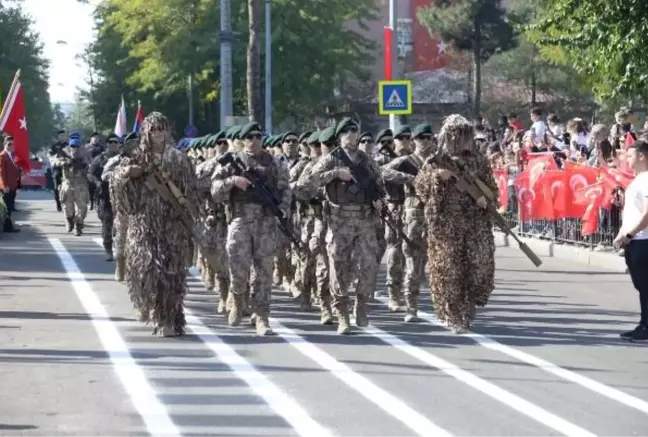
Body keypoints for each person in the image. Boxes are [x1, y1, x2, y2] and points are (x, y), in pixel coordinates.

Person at [110, 113, 197, 337]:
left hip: (172, 226)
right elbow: (115, 180)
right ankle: (148, 304)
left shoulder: (178, 159)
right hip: (144, 224)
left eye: (161, 128)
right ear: (145, 132)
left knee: (171, 274)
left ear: (167, 131)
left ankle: (168, 318)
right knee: (146, 269)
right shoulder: (136, 155)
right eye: (153, 129)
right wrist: (128, 174)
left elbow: (190, 193)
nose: (157, 133)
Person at [414, 114, 496, 333]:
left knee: (479, 266)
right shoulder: (435, 160)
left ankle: (469, 304)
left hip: (474, 223)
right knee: (448, 272)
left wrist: (484, 200)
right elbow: (420, 188)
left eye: (463, 134)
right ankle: (454, 315)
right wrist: (436, 177)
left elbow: (492, 190)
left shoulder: (478, 160)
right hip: (445, 224)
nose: (459, 138)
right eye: (455, 134)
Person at [303, 118, 384, 334]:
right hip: (339, 221)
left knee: (369, 264)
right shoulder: (330, 159)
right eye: (345, 131)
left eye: (353, 130)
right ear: (339, 136)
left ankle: (362, 303)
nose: (350, 134)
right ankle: (342, 315)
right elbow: (306, 185)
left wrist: (380, 201)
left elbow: (379, 184)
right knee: (338, 268)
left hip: (364, 219)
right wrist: (334, 174)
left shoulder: (367, 161)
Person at [211, 121, 292, 336]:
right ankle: (238, 299)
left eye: (258, 136)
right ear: (242, 140)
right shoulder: (233, 162)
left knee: (264, 271)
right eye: (249, 137)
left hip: (265, 222)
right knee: (238, 267)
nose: (254, 140)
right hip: (240, 219)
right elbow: (215, 190)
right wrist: (232, 181)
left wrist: (282, 209)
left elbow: (285, 190)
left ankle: (262, 316)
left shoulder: (274, 163)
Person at [614, 140, 648, 342]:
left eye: (630, 155)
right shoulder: (639, 179)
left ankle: (646, 327)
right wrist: (622, 234)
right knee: (642, 287)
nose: (627, 159)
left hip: (643, 241)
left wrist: (630, 235)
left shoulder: (646, 180)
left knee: (645, 287)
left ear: (642, 156)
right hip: (635, 240)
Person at [50, 132, 90, 236]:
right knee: (67, 208)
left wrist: (84, 164)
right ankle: (69, 220)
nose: (75, 147)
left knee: (82, 207)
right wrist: (64, 162)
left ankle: (78, 226)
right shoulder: (63, 151)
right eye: (73, 145)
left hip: (81, 183)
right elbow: (54, 161)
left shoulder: (85, 151)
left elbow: (91, 163)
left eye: (77, 145)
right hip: (67, 183)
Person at [88, 133, 120, 260]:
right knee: (107, 221)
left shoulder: (124, 158)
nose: (113, 144)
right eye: (110, 142)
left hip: (122, 195)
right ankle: (108, 249)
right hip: (105, 195)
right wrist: (97, 183)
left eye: (115, 142)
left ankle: (121, 248)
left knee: (122, 223)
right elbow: (90, 173)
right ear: (107, 144)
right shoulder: (100, 158)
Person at [0, 136, 21, 233]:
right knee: (7, 207)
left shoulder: (12, 155)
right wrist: (4, 186)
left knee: (10, 207)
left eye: (13, 144)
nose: (11, 146)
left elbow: (14, 170)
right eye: (9, 144)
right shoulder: (3, 155)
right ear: (5, 144)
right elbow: (1, 172)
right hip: (7, 187)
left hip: (13, 185)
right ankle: (7, 227)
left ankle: (8, 226)